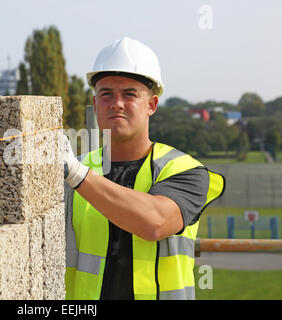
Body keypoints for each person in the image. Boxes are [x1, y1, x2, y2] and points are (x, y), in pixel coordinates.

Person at [62, 37, 225, 300]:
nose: (117, 103)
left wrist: (76, 174)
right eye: (106, 94)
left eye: (129, 94)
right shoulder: (71, 169)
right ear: (95, 104)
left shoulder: (185, 171)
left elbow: (155, 223)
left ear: (152, 105)